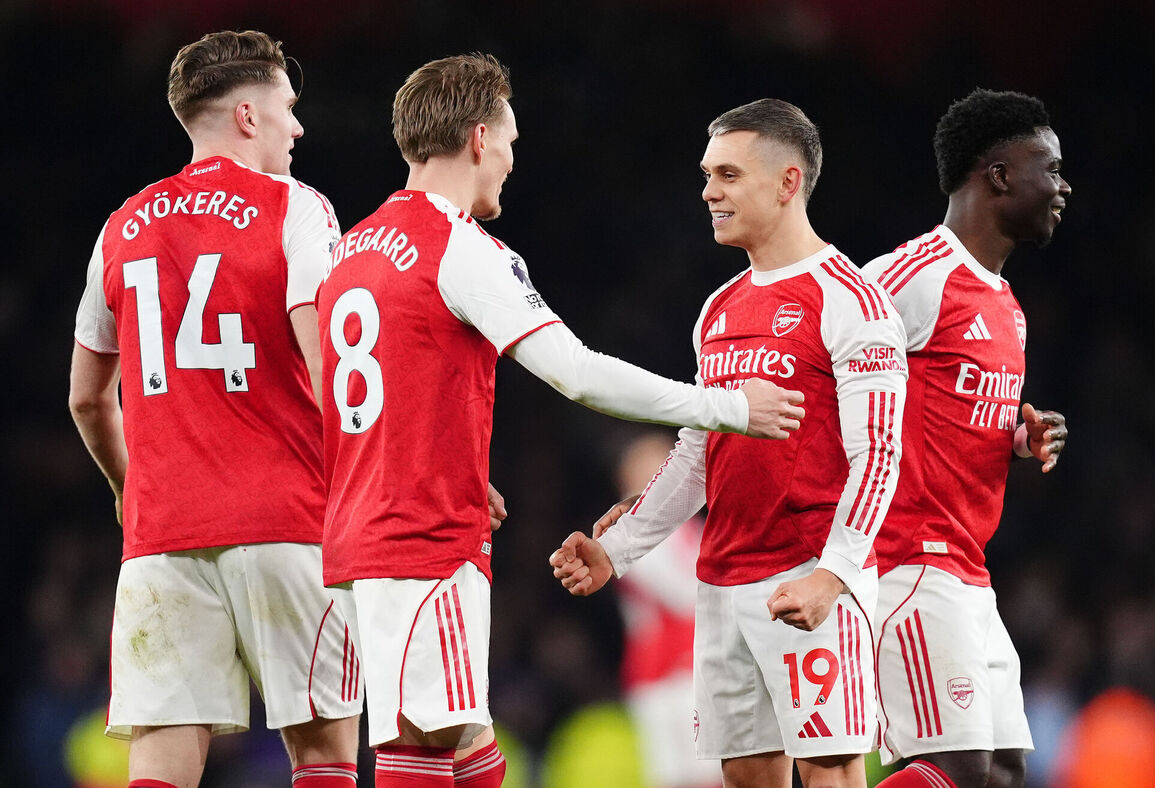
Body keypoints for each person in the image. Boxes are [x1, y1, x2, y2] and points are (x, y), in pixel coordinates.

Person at [315, 56, 806, 788]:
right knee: (427, 745)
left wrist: (441, 462)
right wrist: (728, 407)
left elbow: (352, 389)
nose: (512, 161)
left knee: (459, 744)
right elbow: (576, 373)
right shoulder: (462, 249)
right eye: (509, 141)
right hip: (422, 537)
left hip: (361, 529)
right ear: (479, 138)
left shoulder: (348, 250)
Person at [551, 98, 909, 788]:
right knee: (746, 775)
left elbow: (880, 455)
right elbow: (696, 455)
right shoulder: (718, 309)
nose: (709, 191)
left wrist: (833, 576)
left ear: (787, 181)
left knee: (830, 771)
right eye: (708, 174)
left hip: (807, 573)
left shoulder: (852, 301)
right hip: (721, 583)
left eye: (728, 174)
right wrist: (615, 552)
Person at [69, 30, 360, 788]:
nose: (297, 127)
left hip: (161, 540)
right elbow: (329, 368)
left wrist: (129, 490)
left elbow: (87, 397)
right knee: (325, 756)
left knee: (159, 768)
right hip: (287, 522)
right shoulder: (296, 209)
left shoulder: (121, 228)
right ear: (246, 114)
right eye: (287, 108)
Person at [861, 88, 1070, 788]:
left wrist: (1015, 435)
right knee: (956, 770)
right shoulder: (913, 275)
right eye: (1050, 167)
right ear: (1000, 174)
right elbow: (821, 348)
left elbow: (938, 410)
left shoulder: (1007, 308)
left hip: (966, 569)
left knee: (1006, 772)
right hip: (907, 561)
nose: (1062, 187)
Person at [608, 431, 722, 788]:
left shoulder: (692, 529)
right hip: (661, 672)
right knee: (676, 775)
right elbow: (686, 593)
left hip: (699, 665)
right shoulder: (628, 535)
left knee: (710, 771)